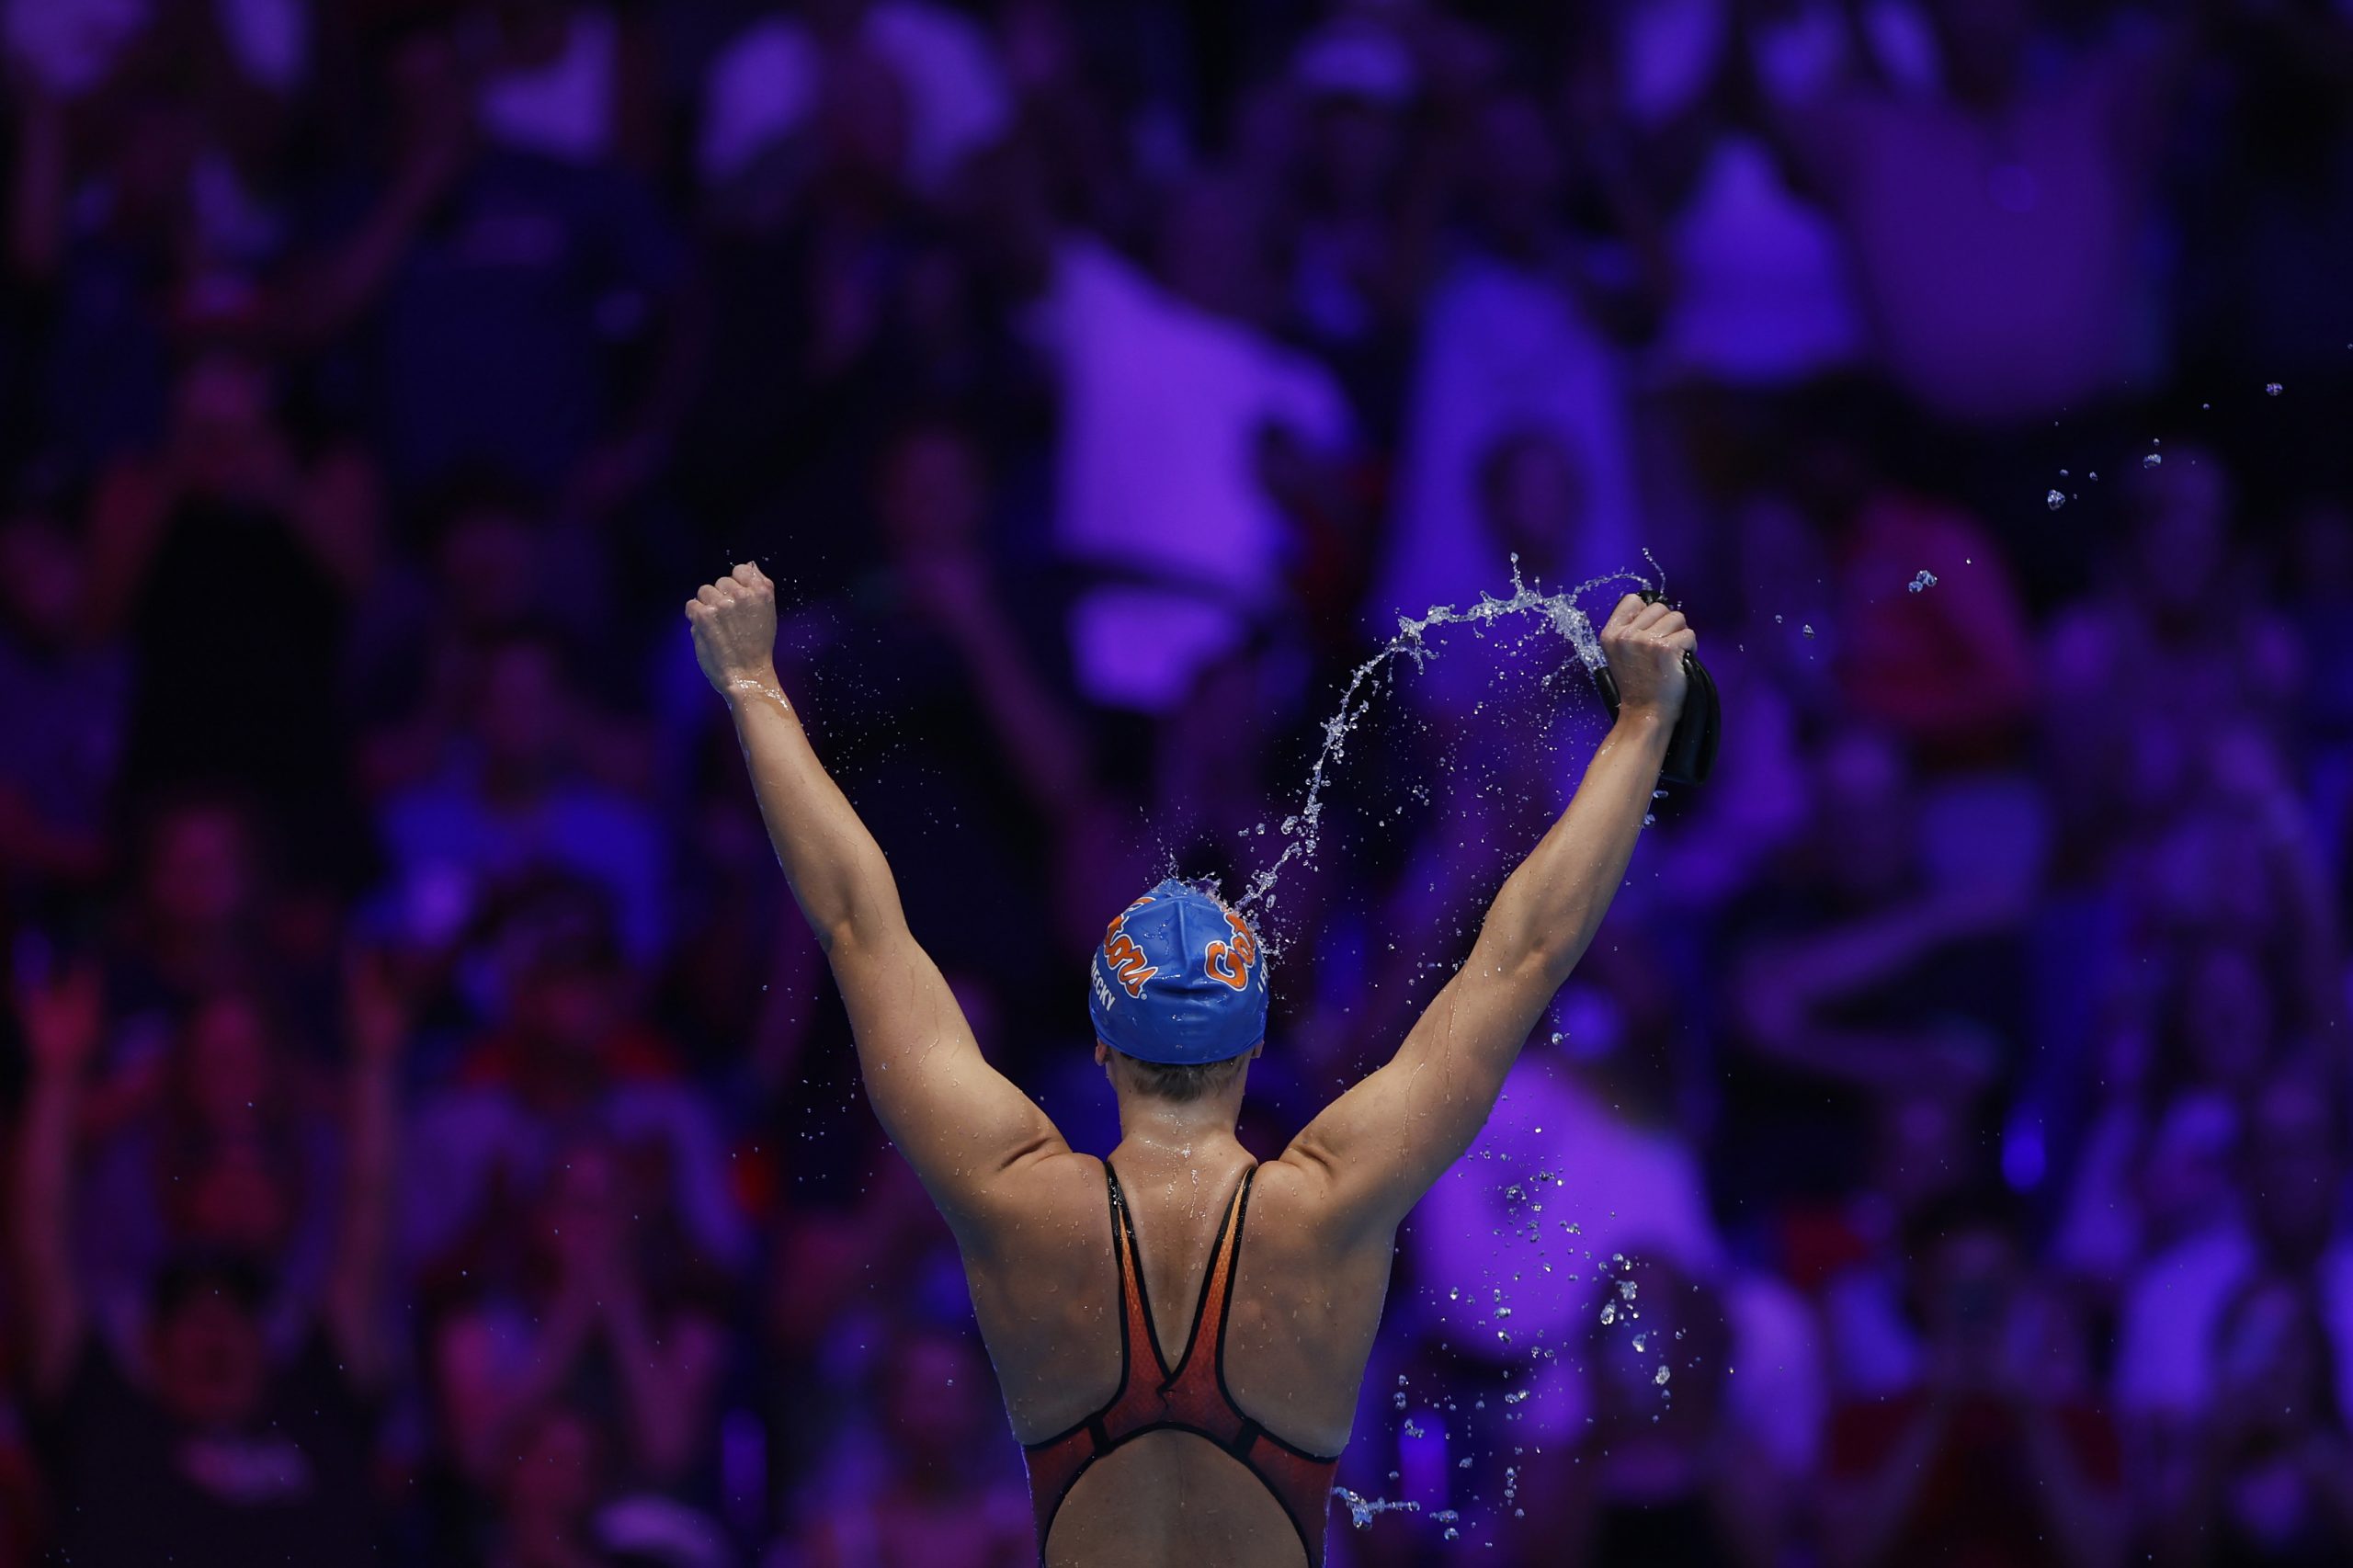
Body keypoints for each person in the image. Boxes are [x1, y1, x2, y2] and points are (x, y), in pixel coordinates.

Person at [684, 562, 1699, 1566]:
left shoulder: (1017, 1196)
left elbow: (859, 921)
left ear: (1099, 1041)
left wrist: (754, 689)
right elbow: (1522, 948)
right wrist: (1640, 727)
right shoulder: (1331, 1201)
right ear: (1255, 1044)